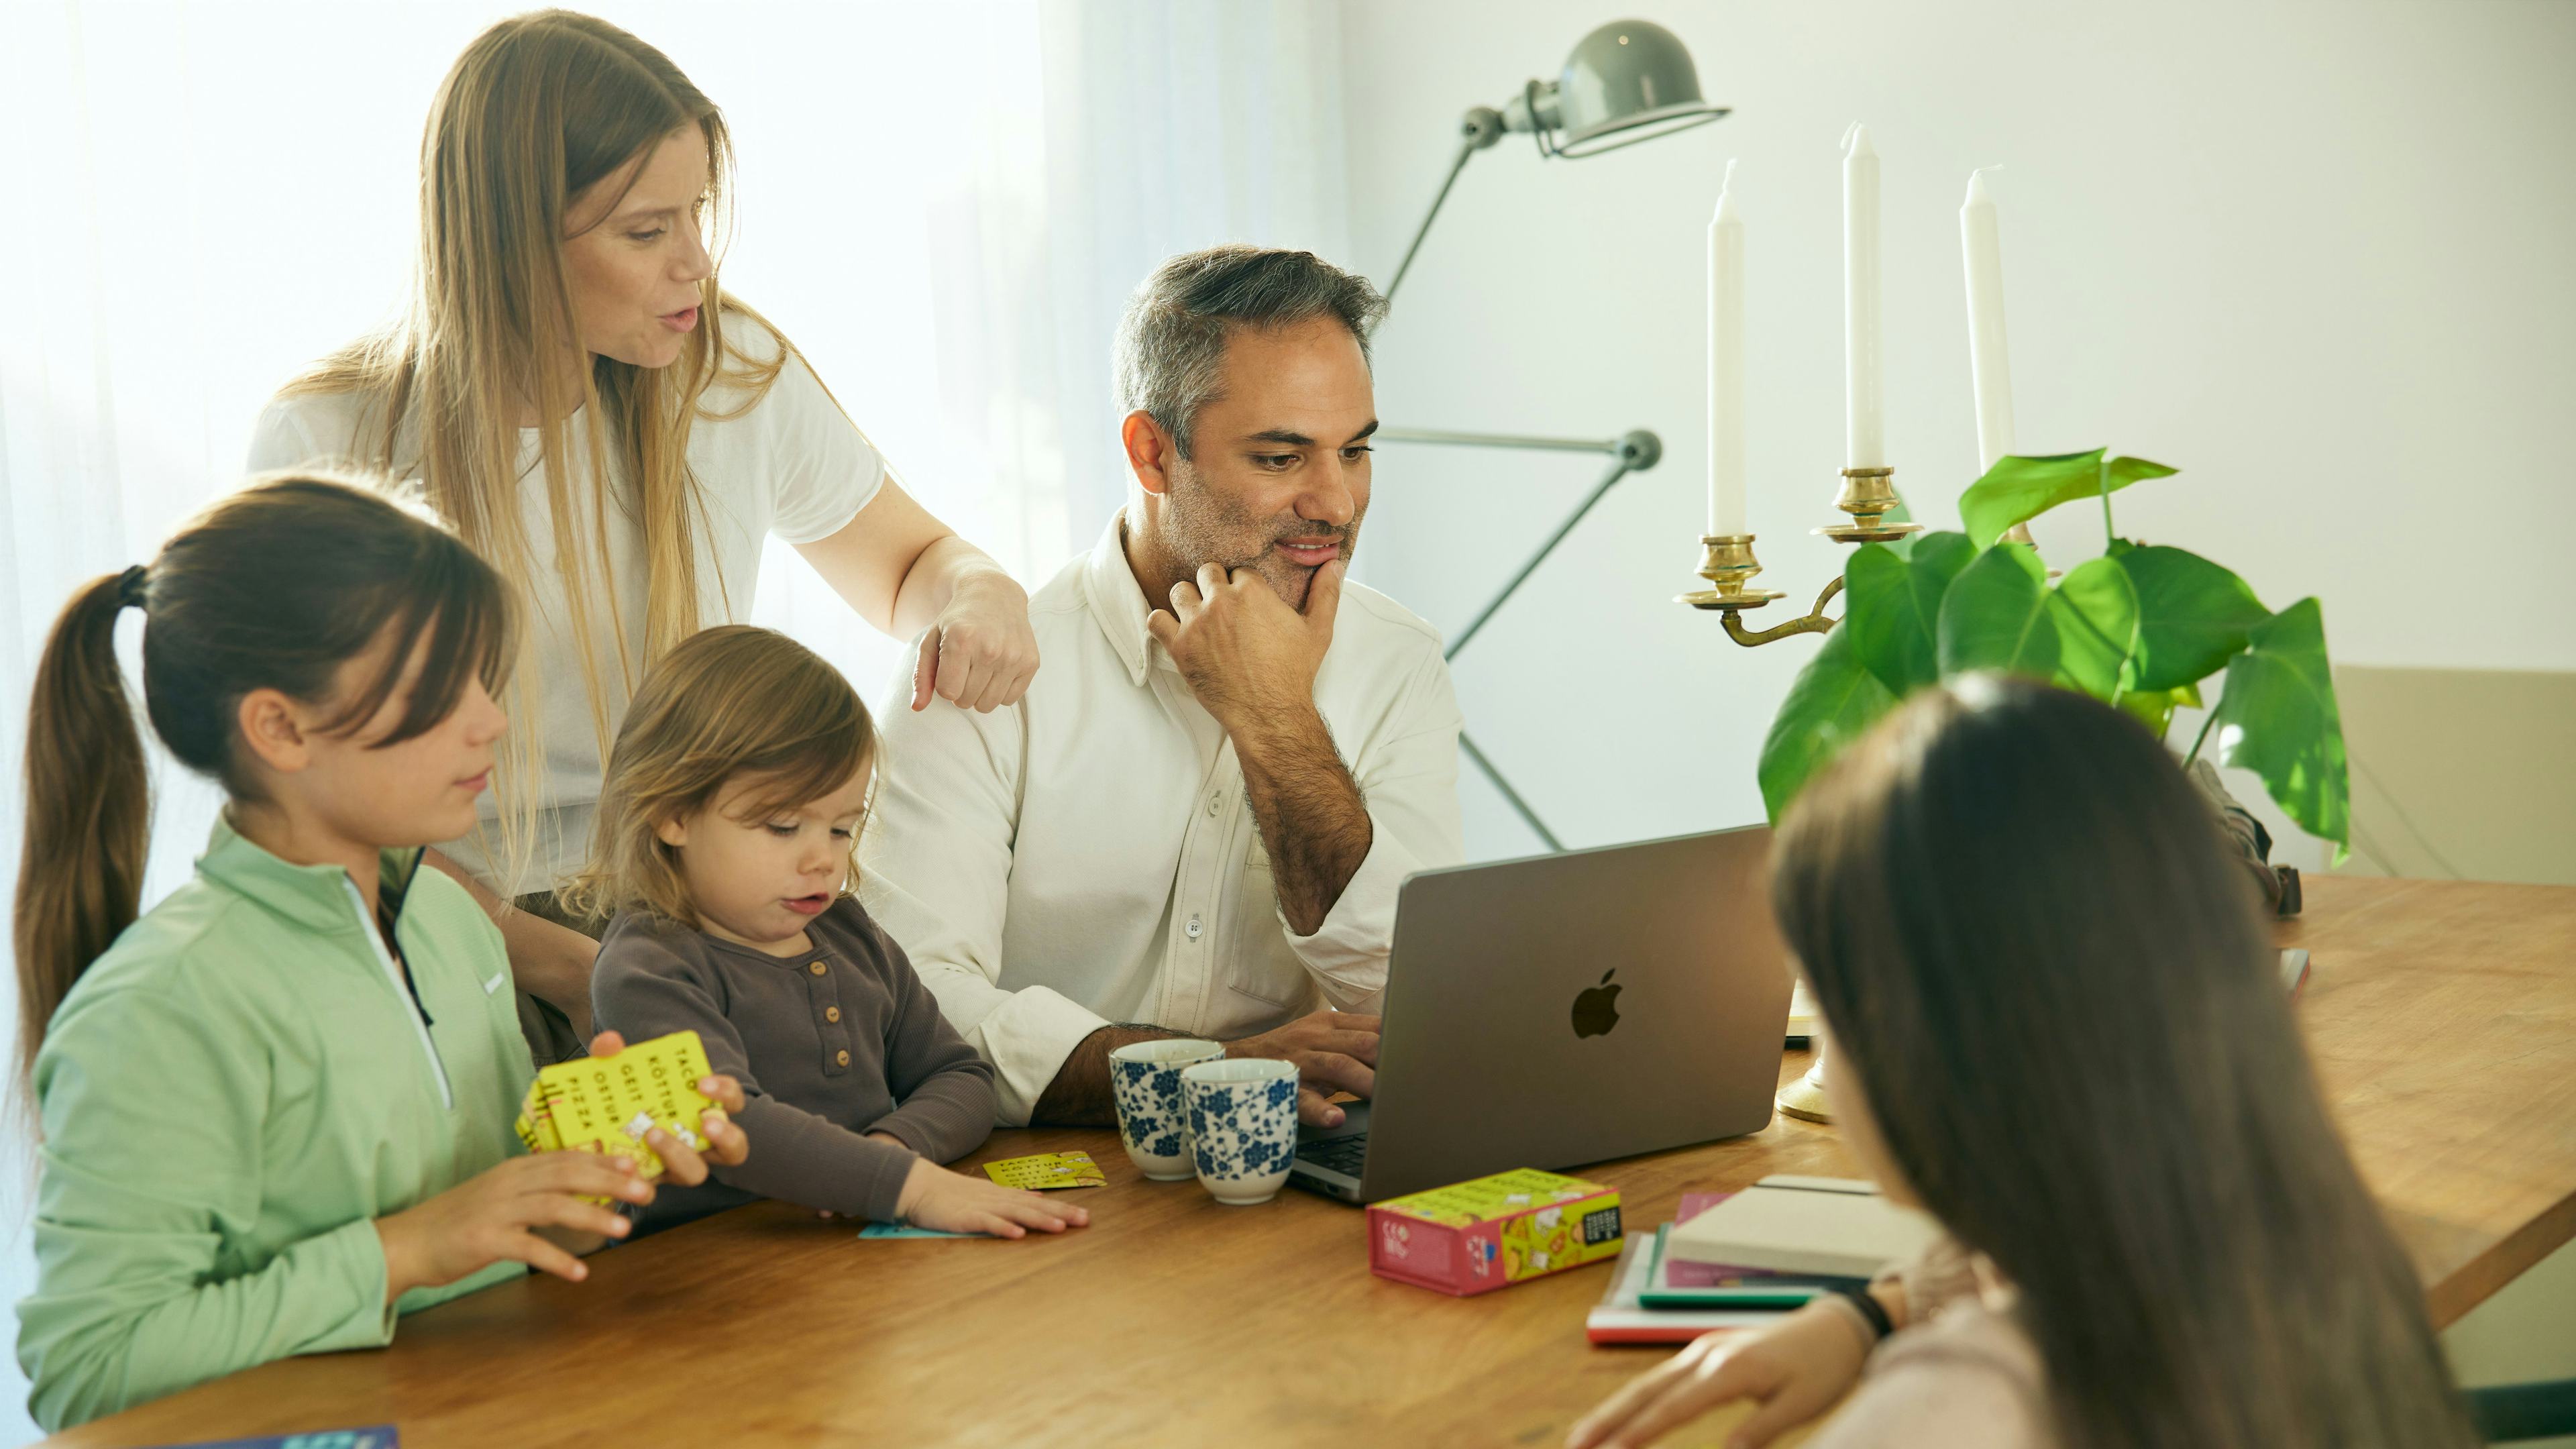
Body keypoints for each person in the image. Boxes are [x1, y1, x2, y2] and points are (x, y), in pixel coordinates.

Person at [248, 10, 1039, 1063]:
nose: (696, 266)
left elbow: (911, 566)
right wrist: (569, 969)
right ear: (511, 240)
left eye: (698, 215)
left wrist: (981, 591)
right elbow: (313, 817)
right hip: (450, 929)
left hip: (685, 907)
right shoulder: (330, 442)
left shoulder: (728, 374)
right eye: (644, 231)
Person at [11, 477, 751, 1432]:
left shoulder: (445, 918)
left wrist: (583, 1184)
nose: (490, 720)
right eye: (440, 691)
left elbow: (473, 1250)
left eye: (485, 681)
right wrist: (403, 1248)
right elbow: (89, 1373)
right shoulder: (159, 1003)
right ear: (280, 727)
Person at [1566, 678, 2476, 1449]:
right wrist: (1869, 1313)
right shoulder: (2315, 1257)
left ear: (1928, 1044)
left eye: (1826, 1003)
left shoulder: (1956, 1410)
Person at [859, 245, 1463, 1128]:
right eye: (1280, 457)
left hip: (1302, 1174)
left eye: (1356, 451)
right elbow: (911, 1003)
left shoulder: (1397, 661)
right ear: (1151, 452)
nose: (1336, 503)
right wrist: (1206, 1073)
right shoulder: (984, 676)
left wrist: (1276, 720)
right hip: (1042, 1193)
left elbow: (1410, 998)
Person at [576, 626, 1088, 1238]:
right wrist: (907, 1185)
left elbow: (961, 1078)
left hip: (845, 1259)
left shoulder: (852, 936)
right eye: (786, 825)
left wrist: (896, 1143)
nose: (822, 858)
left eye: (842, 829)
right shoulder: (647, 966)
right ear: (673, 815)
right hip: (698, 1279)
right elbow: (734, 1127)